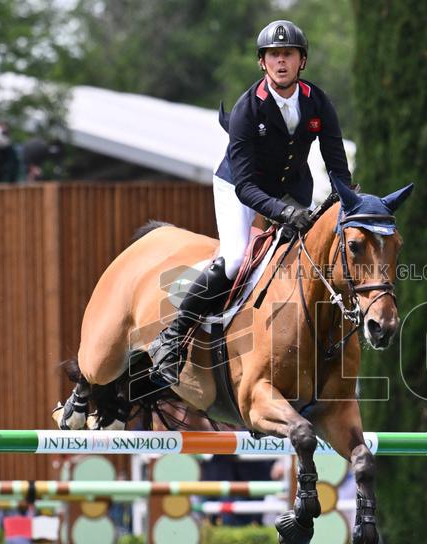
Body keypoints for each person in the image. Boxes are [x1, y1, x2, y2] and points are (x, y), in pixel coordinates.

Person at [147, 19, 353, 387]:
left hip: (292, 188)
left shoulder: (318, 102)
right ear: (262, 62)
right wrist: (284, 213)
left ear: (301, 60)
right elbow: (245, 186)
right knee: (236, 260)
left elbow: (337, 164)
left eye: (288, 54)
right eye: (273, 55)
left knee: (308, 258)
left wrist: (349, 206)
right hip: (239, 187)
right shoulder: (248, 109)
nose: (281, 61)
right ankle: (173, 335)